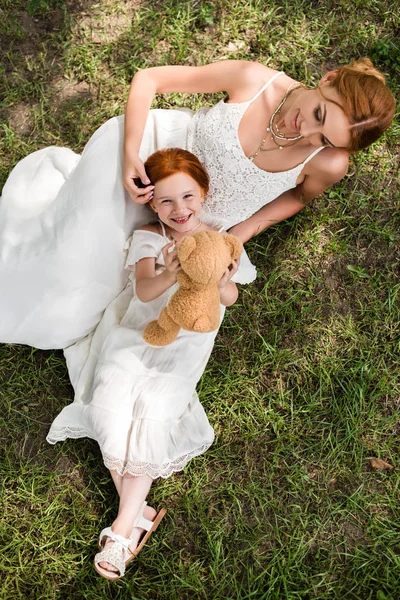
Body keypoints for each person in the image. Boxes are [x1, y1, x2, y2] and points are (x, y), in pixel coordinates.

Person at [0, 58, 395, 349]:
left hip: (196, 224)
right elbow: (149, 79)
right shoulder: (254, 80)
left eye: (324, 137)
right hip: (156, 164)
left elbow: (296, 196)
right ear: (326, 79)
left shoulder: (328, 163)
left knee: (159, 323)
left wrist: (240, 233)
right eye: (318, 113)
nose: (306, 131)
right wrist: (130, 154)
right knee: (69, 257)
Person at [46, 148, 245, 580]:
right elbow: (145, 293)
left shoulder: (220, 240)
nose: (180, 210)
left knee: (153, 411)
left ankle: (122, 530)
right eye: (167, 201)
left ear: (204, 195)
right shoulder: (149, 238)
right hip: (139, 329)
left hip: (187, 342)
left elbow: (229, 299)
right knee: (108, 403)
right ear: (152, 204)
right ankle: (136, 513)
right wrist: (171, 271)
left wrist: (223, 280)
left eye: (188, 197)